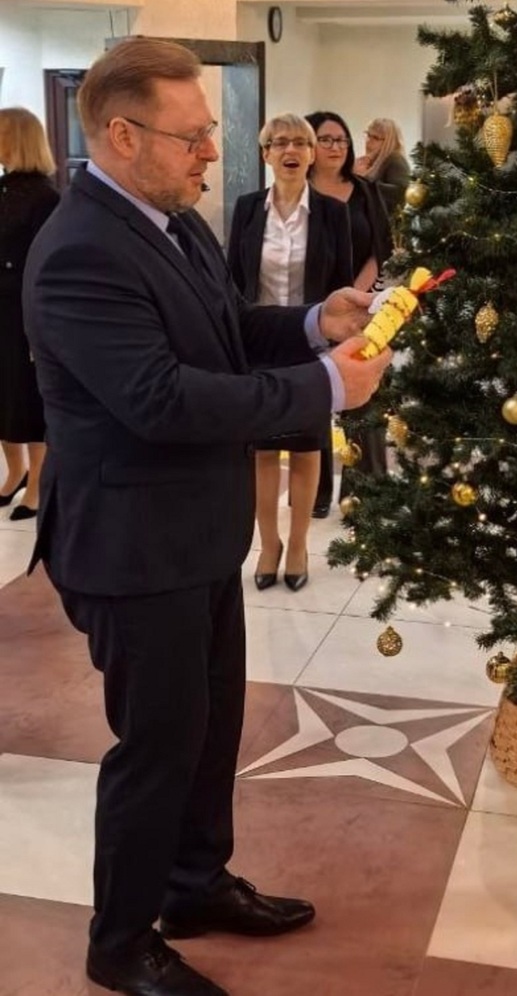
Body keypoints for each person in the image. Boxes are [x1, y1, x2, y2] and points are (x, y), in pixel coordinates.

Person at [22, 38, 391, 996]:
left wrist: (320, 324)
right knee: (157, 747)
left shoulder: (170, 223)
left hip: (194, 532)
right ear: (120, 133)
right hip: (130, 545)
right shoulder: (79, 253)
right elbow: (161, 399)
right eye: (192, 138)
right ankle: (120, 944)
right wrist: (323, 390)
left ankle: (193, 884)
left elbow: (225, 335)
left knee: (211, 725)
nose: (210, 155)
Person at [227, 113, 353, 589]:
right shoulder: (245, 209)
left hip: (309, 341)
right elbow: (232, 282)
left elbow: (340, 284)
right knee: (260, 451)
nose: (291, 150)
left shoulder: (332, 213)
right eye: (279, 142)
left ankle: (297, 543)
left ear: (312, 153)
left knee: (305, 447)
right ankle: (268, 544)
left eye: (301, 141)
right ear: (265, 154)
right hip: (258, 342)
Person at [306, 110, 393, 503]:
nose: (335, 147)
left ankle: (367, 494)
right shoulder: (297, 191)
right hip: (308, 311)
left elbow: (381, 247)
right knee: (312, 398)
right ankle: (316, 493)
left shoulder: (364, 191)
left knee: (364, 398)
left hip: (361, 305)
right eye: (325, 139)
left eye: (341, 139)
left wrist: (357, 297)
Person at [0, 108, 59, 520]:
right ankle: (14, 469)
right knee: (2, 394)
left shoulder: (46, 197)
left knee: (26, 395)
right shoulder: (2, 189)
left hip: (23, 310)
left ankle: (37, 480)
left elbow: (47, 264)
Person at [353, 117, 410, 215]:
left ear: (389, 141)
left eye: (375, 138)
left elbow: (400, 193)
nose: (368, 141)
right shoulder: (370, 161)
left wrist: (361, 180)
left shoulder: (395, 160)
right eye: (368, 135)